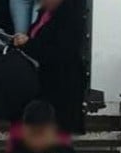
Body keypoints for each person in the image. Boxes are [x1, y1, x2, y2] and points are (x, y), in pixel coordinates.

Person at [15, 0, 87, 135]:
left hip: (63, 85)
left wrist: (28, 44)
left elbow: (60, 51)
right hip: (46, 83)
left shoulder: (70, 16)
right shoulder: (45, 13)